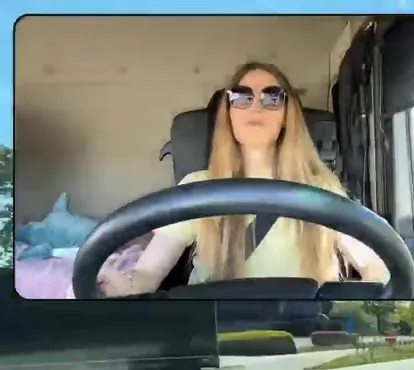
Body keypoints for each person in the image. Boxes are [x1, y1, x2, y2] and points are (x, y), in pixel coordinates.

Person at [97, 61, 390, 297]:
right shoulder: (198, 188)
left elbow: (374, 264)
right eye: (242, 97)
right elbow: (148, 274)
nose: (256, 106)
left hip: (303, 331)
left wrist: (366, 299)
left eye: (272, 97)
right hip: (217, 330)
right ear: (229, 114)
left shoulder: (321, 188)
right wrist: (121, 287)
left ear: (287, 115)